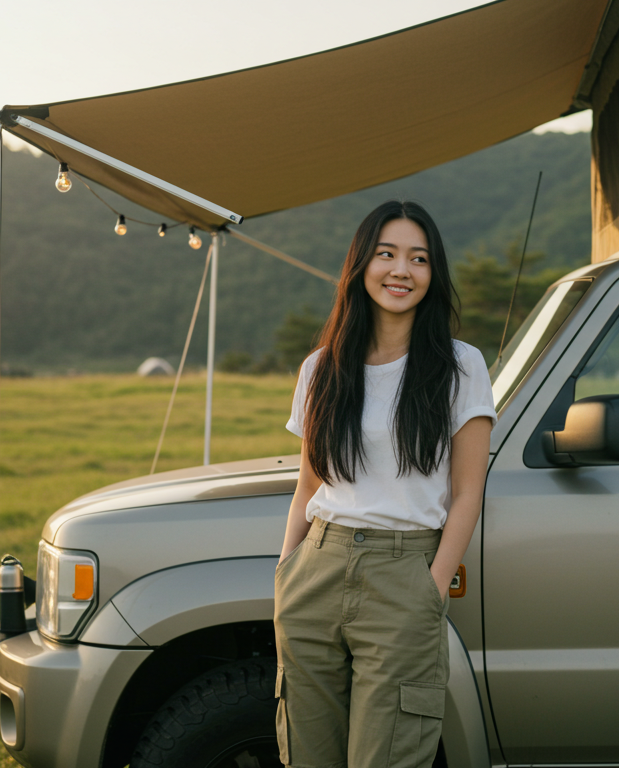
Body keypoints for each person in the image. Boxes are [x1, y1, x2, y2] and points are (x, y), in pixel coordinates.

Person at [274, 200, 495, 768]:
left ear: (433, 273)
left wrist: (432, 588)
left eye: (418, 259)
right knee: (307, 756)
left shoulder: (461, 366)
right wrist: (286, 571)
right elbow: (308, 485)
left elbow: (468, 493)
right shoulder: (321, 368)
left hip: (405, 576)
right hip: (316, 568)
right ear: (361, 266)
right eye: (386, 254)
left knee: (388, 756)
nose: (402, 270)